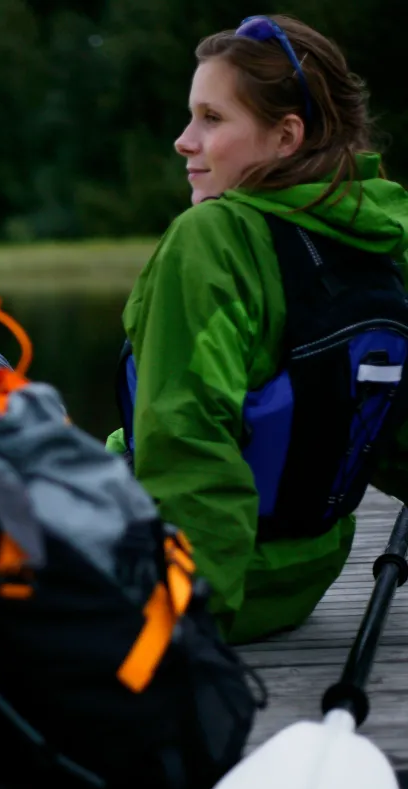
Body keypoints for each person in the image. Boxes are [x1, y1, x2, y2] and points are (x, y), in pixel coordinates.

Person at [106, 14, 408, 644]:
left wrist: (186, 625)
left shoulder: (211, 237)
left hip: (206, 589)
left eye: (212, 119)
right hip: (303, 576)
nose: (184, 141)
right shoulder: (372, 236)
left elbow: (187, 442)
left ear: (285, 137)